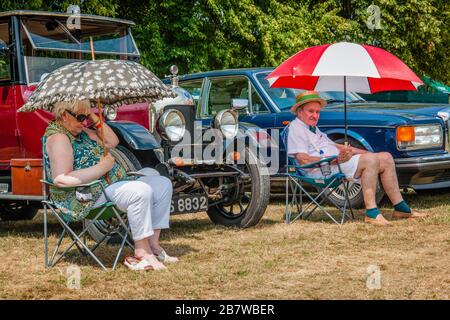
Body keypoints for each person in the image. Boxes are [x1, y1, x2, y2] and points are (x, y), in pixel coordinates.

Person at [44, 99, 177, 270]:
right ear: (64, 115)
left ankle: (153, 245)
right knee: (140, 191)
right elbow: (62, 178)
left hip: (108, 185)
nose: (84, 122)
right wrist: (101, 168)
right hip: (84, 196)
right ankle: (142, 253)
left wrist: (93, 116)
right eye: (80, 117)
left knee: (162, 184)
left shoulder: (82, 131)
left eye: (86, 116)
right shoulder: (59, 138)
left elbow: (112, 142)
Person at [287, 91, 428, 226]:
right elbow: (303, 160)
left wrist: (366, 153)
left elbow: (337, 146)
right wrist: (333, 160)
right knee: (370, 161)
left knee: (386, 157)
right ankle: (372, 213)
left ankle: (401, 208)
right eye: (310, 111)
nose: (315, 115)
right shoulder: (296, 129)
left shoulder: (313, 129)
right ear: (300, 112)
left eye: (317, 112)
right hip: (322, 169)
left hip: (336, 163)